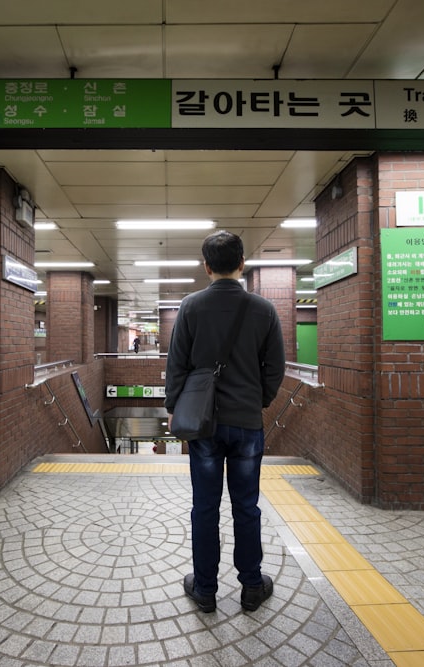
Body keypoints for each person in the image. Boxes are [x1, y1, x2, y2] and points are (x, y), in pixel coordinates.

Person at [164, 230, 286, 613]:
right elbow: (275, 368)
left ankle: (205, 590)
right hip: (247, 422)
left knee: (205, 507)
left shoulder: (191, 306)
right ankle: (251, 586)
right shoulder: (264, 310)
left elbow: (177, 365)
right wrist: (257, 401)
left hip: (204, 426)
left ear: (206, 266)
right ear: (242, 264)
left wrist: (173, 406)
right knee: (246, 506)